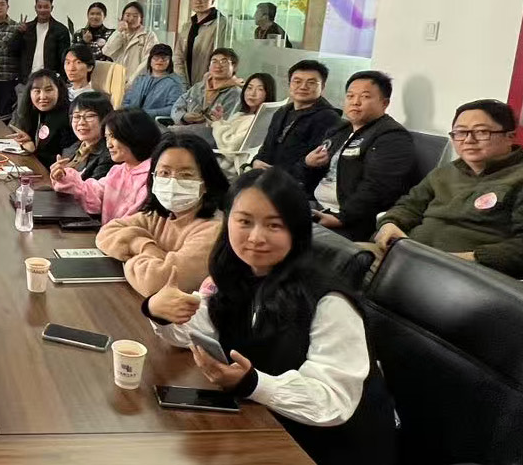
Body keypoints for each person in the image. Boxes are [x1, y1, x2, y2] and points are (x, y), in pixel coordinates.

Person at [145, 168, 397, 465]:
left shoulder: (329, 302)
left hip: (330, 449)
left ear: (297, 230)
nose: (256, 237)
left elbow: (332, 400)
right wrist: (159, 310)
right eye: (244, 221)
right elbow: (195, 329)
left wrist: (253, 383)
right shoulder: (240, 276)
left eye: (274, 225)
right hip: (269, 423)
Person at [374, 100, 523, 278]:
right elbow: (409, 205)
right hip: (409, 256)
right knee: (356, 258)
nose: (469, 140)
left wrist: (466, 259)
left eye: (481, 132)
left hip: (465, 272)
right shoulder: (444, 172)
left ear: (509, 137)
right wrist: (390, 223)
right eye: (461, 132)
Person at [97, 133, 228, 294]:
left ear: (207, 182)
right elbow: (106, 233)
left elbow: (156, 282)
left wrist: (129, 256)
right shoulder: (162, 215)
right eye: (165, 173)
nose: (173, 182)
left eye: (186, 175)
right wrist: (145, 247)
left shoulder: (214, 230)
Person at [302, 71, 419, 241]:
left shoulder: (393, 137)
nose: (355, 102)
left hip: (349, 220)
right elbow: (312, 176)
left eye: (365, 96)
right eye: (350, 96)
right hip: (316, 206)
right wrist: (308, 164)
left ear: (384, 103)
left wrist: (342, 218)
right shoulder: (339, 130)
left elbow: (378, 188)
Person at [48, 108, 163, 223]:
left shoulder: (153, 176)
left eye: (113, 136)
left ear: (135, 135)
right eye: (107, 137)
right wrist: (65, 177)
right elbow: (92, 194)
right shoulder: (117, 171)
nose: (109, 145)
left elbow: (134, 222)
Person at [252, 60, 342, 183]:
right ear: (289, 84)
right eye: (297, 81)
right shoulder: (282, 112)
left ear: (323, 87)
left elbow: (316, 167)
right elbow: (266, 148)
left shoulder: (328, 119)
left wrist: (276, 174)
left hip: (295, 186)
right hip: (269, 180)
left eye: (311, 83)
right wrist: (256, 161)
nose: (303, 87)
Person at [9, 70, 75, 168]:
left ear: (59, 90)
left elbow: (64, 160)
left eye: (48, 90)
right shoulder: (30, 111)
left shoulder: (70, 117)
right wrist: (29, 143)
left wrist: (34, 150)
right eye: (37, 91)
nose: (42, 96)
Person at [212, 73, 277, 171]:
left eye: (260, 89)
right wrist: (220, 120)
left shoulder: (254, 120)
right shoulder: (242, 114)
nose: (252, 93)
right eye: (249, 88)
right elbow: (230, 132)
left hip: (228, 166)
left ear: (268, 93)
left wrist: (217, 125)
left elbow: (230, 147)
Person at [172, 0, 232, 86]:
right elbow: (178, 55)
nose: (198, 2)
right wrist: (182, 80)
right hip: (187, 82)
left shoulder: (221, 24)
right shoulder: (188, 26)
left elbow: (224, 57)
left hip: (211, 83)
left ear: (212, 0)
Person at [7, 0, 71, 85]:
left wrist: (61, 81)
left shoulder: (61, 30)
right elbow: (11, 51)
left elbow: (64, 59)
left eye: (46, 7)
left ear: (52, 8)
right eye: (39, 7)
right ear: (35, 8)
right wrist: (19, 33)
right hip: (27, 80)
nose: (42, 10)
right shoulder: (26, 28)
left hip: (50, 81)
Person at [169, 48, 244, 125]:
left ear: (234, 67)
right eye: (214, 61)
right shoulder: (198, 87)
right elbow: (176, 107)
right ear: (209, 66)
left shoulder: (236, 93)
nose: (218, 66)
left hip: (207, 132)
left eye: (224, 62)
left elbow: (224, 125)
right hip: (181, 129)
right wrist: (184, 117)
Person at [64, 91, 115, 181]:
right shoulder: (70, 150)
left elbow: (93, 188)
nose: (81, 122)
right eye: (76, 116)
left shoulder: (110, 155)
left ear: (105, 118)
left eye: (89, 116)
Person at [121, 43, 186, 114]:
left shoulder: (175, 82)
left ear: (170, 61)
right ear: (150, 60)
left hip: (155, 120)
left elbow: (174, 109)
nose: (160, 60)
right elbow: (126, 101)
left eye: (164, 58)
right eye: (156, 57)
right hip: (132, 118)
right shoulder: (140, 79)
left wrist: (145, 113)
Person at [103, 1, 154, 76]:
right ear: (122, 17)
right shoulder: (120, 33)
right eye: (127, 15)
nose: (131, 18)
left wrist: (134, 78)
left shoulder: (148, 35)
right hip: (118, 77)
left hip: (139, 78)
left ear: (141, 18)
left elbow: (148, 60)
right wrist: (118, 32)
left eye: (135, 16)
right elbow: (107, 51)